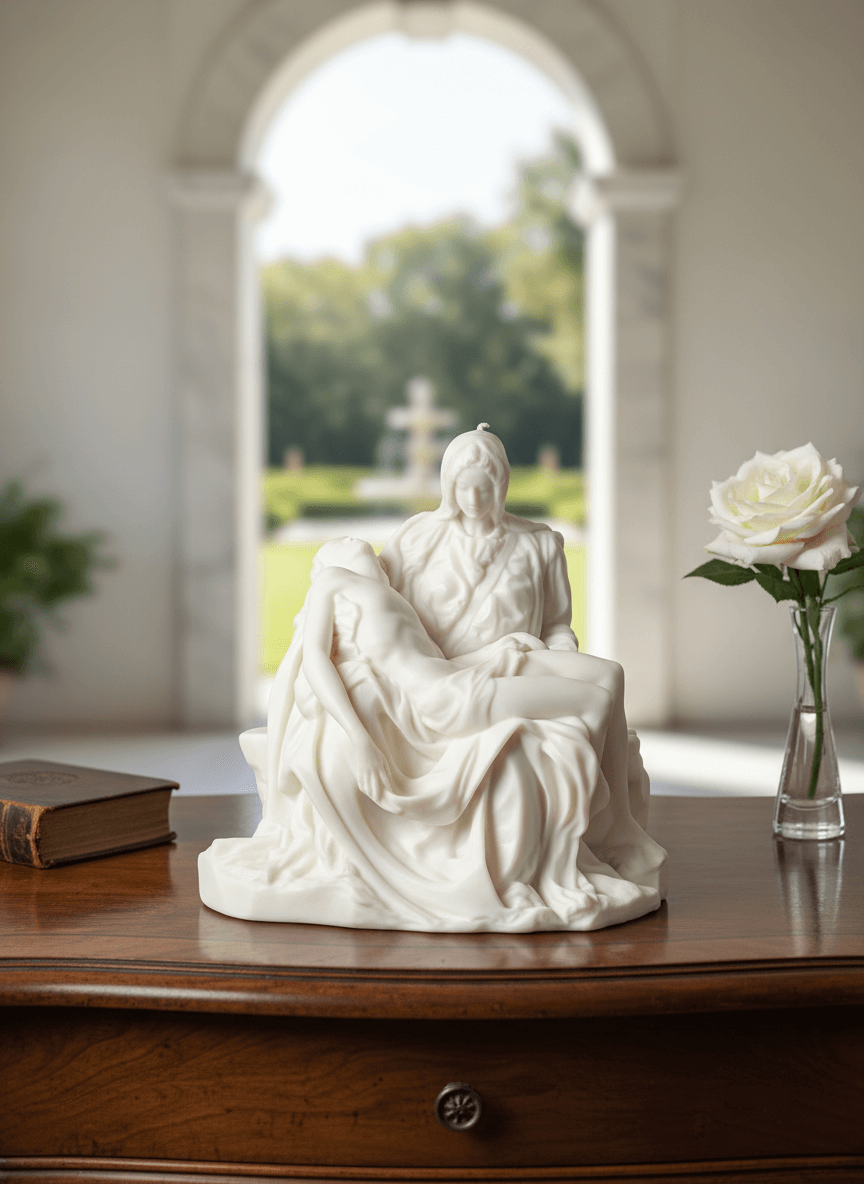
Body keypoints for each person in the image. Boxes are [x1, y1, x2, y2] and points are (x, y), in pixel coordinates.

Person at [199, 538, 667, 933]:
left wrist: (495, 650)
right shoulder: (333, 584)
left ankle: (615, 834)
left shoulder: (389, 597)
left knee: (607, 675)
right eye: (351, 545)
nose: (370, 552)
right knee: (595, 702)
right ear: (329, 563)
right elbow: (317, 663)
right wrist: (360, 738)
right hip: (447, 703)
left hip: (456, 682)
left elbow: (432, 663)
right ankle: (616, 830)